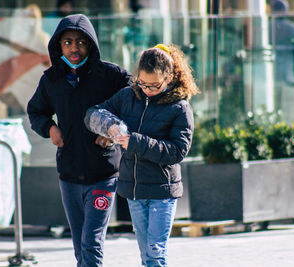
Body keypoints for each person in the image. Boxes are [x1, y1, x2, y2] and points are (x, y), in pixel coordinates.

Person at [27, 14, 132, 267]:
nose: (74, 48)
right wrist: (50, 127)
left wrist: (113, 133)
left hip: (103, 173)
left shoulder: (111, 76)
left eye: (81, 42)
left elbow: (133, 101)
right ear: (58, 46)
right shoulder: (51, 80)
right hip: (69, 174)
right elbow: (36, 111)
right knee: (79, 246)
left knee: (91, 243)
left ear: (91, 45)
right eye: (68, 42)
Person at [85, 44, 199, 266]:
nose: (147, 90)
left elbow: (176, 152)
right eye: (143, 83)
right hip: (134, 190)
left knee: (156, 253)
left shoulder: (180, 107)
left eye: (155, 85)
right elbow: (93, 113)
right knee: (146, 255)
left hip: (162, 191)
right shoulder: (128, 96)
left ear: (169, 78)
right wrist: (110, 126)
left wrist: (133, 141)